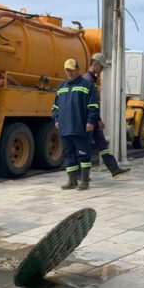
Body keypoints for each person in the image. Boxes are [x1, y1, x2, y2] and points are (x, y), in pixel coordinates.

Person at [52, 58, 99, 191]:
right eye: (67, 70)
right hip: (65, 128)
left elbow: (93, 106)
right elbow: (55, 106)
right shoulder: (61, 87)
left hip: (80, 127)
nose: (69, 73)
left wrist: (90, 121)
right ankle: (72, 181)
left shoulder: (87, 85)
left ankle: (84, 181)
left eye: (71, 70)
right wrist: (56, 119)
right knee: (68, 155)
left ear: (78, 70)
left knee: (83, 155)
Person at [83, 53, 131, 178]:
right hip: (89, 120)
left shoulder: (90, 79)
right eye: (101, 67)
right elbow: (91, 104)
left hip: (92, 119)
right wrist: (97, 119)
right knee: (86, 148)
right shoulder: (88, 80)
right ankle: (82, 176)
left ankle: (114, 169)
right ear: (95, 64)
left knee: (102, 144)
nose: (102, 69)